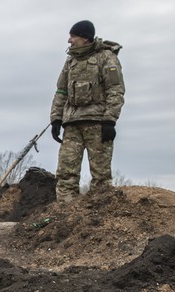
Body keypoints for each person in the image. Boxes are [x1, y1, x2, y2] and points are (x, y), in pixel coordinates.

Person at [49, 20, 124, 203]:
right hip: (72, 124)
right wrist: (56, 119)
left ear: (84, 38)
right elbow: (61, 91)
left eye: (73, 36)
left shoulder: (107, 57)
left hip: (97, 123)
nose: (69, 40)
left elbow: (115, 90)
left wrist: (109, 120)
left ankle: (99, 217)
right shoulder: (71, 61)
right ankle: (66, 214)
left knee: (101, 175)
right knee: (66, 172)